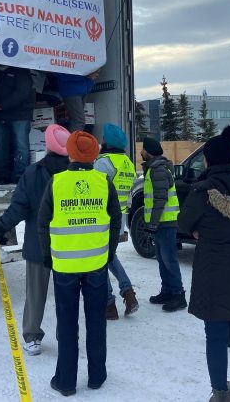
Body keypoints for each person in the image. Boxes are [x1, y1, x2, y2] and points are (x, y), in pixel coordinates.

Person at [178, 126, 230, 402]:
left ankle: (221, 394)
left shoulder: (203, 190)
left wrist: (198, 230)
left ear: (211, 160)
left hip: (212, 270)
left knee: (215, 335)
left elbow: (184, 223)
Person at [37, 131, 122, 396]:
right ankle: (97, 376)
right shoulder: (103, 181)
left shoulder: (57, 182)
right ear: (94, 155)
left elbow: (43, 223)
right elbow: (116, 220)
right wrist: (108, 254)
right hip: (96, 265)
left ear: (71, 154)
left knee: (67, 323)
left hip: (64, 267)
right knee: (97, 321)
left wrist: (48, 257)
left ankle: (66, 381)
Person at [0, 124, 70, 356]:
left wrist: (1, 229)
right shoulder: (76, 174)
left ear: (48, 146)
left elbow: (18, 207)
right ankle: (65, 335)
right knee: (66, 294)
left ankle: (33, 336)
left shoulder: (33, 173)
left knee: (36, 293)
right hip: (68, 246)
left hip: (38, 245)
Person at [94, 123, 139, 319]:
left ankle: (109, 304)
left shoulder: (103, 163)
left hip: (103, 219)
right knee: (109, 256)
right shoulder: (128, 163)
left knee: (99, 260)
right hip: (119, 220)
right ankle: (128, 293)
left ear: (106, 143)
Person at [141, 137, 186, 312]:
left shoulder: (157, 170)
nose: (141, 152)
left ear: (148, 152)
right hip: (162, 222)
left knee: (169, 260)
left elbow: (160, 199)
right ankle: (167, 290)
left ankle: (178, 294)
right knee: (162, 259)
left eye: (143, 149)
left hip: (165, 222)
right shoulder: (154, 168)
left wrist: (152, 223)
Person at [0, 64, 35, 184]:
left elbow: (22, 92)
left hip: (20, 113)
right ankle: (2, 175)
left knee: (21, 145)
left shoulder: (21, 68)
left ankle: (20, 176)